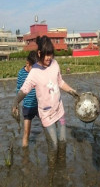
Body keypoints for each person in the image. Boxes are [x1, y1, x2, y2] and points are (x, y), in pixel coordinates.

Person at [11, 35, 78, 169]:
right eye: (46, 55)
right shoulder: (34, 71)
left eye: (51, 54)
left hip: (60, 112)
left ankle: (62, 170)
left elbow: (60, 82)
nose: (49, 58)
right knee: (53, 146)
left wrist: (72, 92)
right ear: (40, 53)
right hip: (46, 115)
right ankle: (52, 174)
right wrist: (15, 103)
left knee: (63, 142)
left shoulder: (55, 64)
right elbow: (24, 90)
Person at [16, 50, 39, 147]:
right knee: (26, 133)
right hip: (27, 107)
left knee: (49, 128)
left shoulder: (38, 72)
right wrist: (16, 104)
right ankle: (25, 155)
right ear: (27, 63)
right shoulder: (21, 73)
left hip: (39, 106)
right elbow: (18, 89)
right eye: (33, 68)